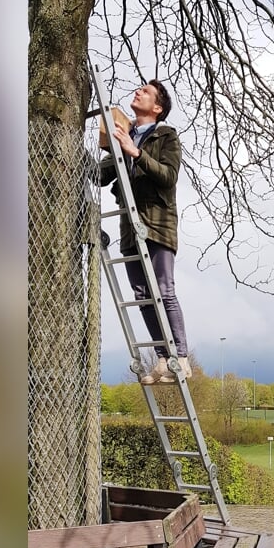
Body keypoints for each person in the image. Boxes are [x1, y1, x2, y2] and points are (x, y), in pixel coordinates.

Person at [100, 80, 190, 384]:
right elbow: (101, 174)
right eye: (138, 89)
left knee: (163, 290)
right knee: (141, 295)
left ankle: (182, 357)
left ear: (157, 107)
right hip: (130, 225)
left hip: (158, 223)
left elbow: (168, 176)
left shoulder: (166, 136)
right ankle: (164, 358)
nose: (138, 92)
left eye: (146, 92)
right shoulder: (123, 135)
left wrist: (135, 153)